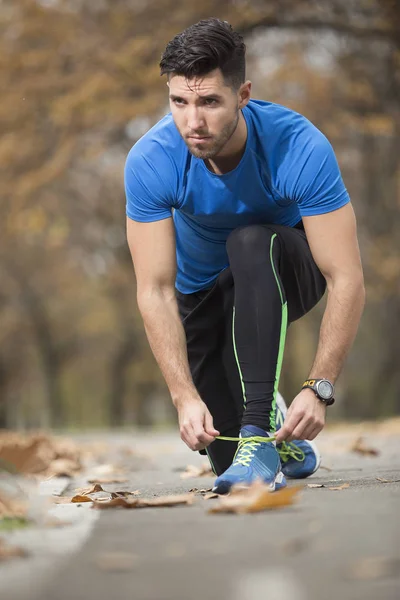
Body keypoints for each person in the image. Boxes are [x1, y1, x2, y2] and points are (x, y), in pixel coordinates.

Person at [125, 18, 365, 494]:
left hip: (283, 272)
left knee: (249, 241)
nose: (193, 121)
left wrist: (319, 387)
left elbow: (346, 278)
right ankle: (277, 432)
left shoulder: (297, 145)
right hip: (203, 296)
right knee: (223, 459)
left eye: (210, 101)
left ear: (243, 94)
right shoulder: (152, 159)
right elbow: (154, 290)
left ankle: (260, 430)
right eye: (179, 101)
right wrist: (183, 396)